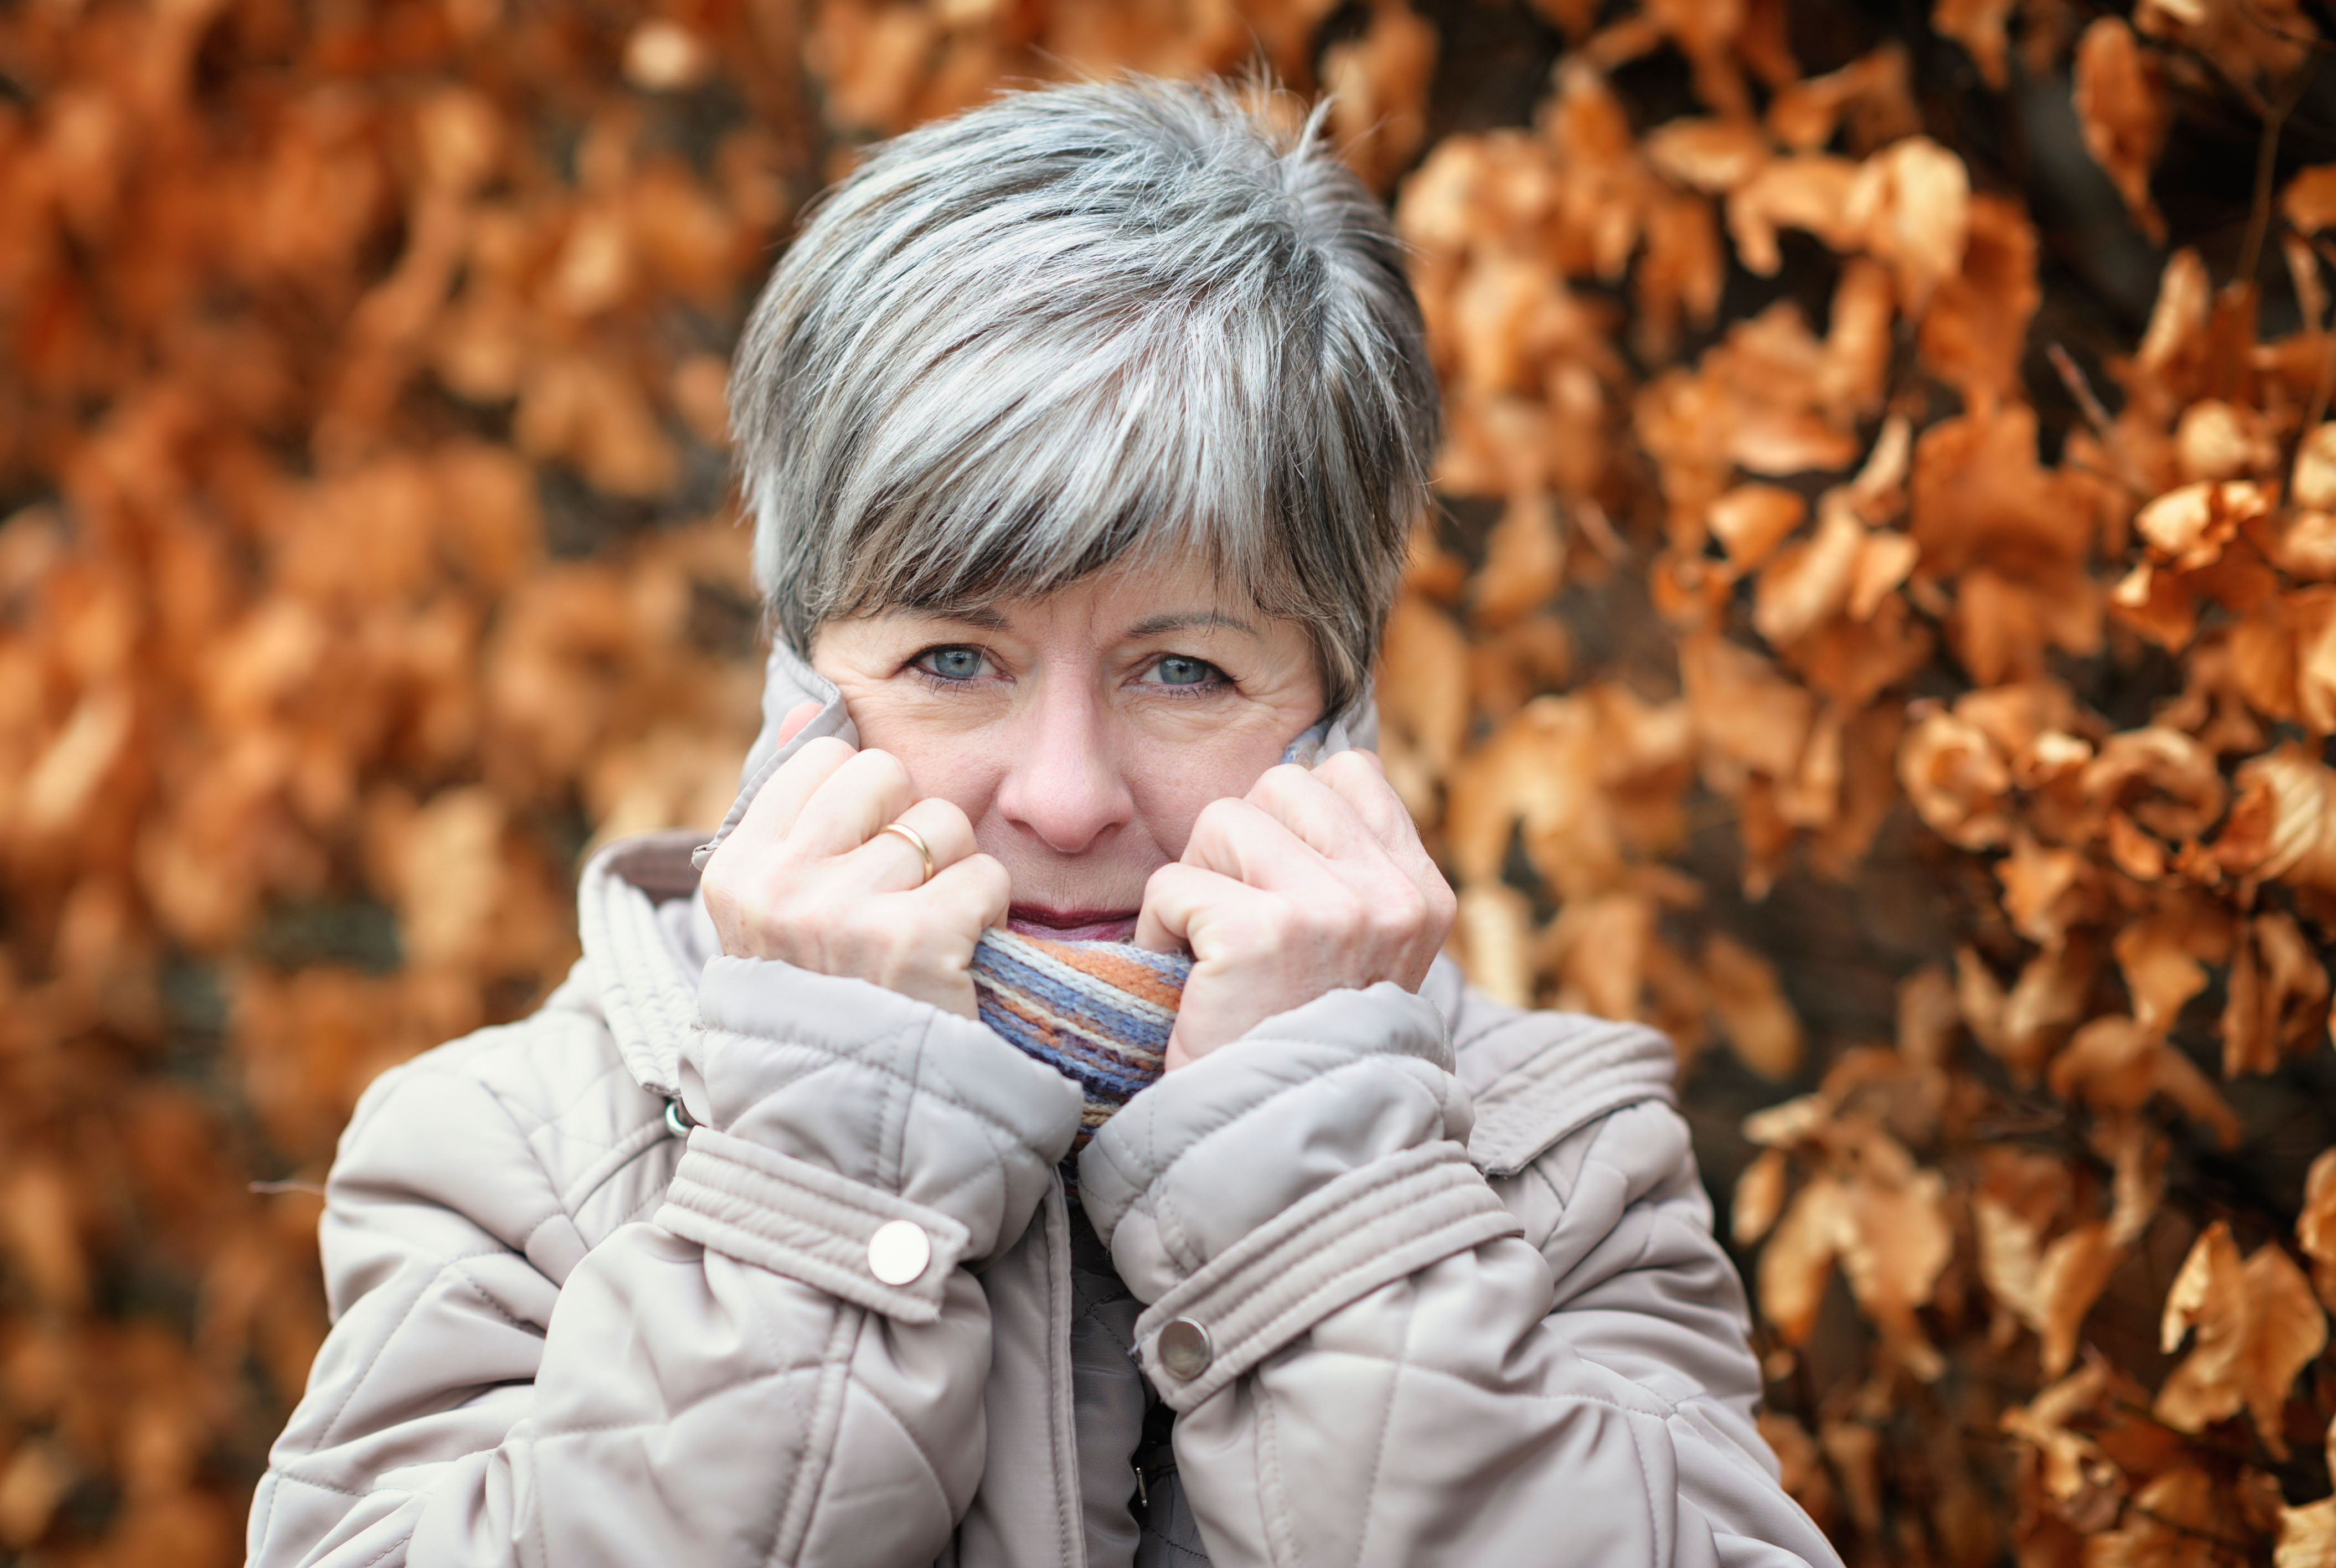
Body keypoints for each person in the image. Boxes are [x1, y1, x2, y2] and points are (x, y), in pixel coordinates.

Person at [246, 76, 1842, 1568]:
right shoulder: (513, 1151)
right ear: (800, 693)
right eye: (953, 658)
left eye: (1187, 669)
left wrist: (1322, 1191)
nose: (1065, 796)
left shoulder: (1555, 1159)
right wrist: (823, 1176)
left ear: (1335, 716)